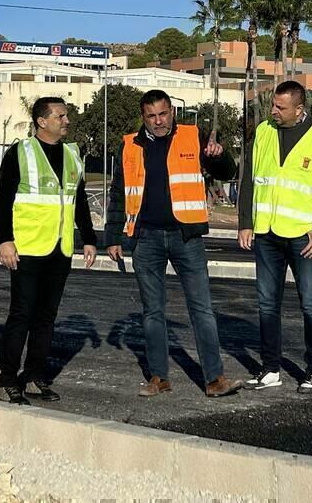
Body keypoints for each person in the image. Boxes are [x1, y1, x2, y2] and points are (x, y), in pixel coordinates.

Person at [104, 89, 242, 398]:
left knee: (202, 309)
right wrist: (112, 237)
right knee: (152, 311)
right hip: (145, 239)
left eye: (163, 114)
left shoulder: (193, 136)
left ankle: (214, 379)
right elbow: (117, 192)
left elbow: (226, 171)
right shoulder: (129, 145)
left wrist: (220, 157)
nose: (158, 121)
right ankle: (158, 377)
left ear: (172, 112)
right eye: (151, 116)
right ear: (144, 117)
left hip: (186, 236)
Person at [238, 80, 312, 395]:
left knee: (311, 305)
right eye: (273, 105)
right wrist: (245, 223)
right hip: (266, 233)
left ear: (300, 109)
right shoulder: (264, 132)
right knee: (267, 304)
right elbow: (250, 180)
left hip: (304, 238)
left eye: (280, 108)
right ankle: (270, 369)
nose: (273, 112)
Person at [0, 97, 97, 404]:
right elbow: (3, 199)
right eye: (61, 116)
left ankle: (36, 376)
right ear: (42, 121)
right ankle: (7, 380)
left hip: (60, 248)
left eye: (66, 116)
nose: (66, 121)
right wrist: (5, 240)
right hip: (26, 248)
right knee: (21, 315)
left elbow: (78, 200)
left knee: (46, 318)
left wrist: (89, 238)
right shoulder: (21, 152)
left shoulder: (72, 154)